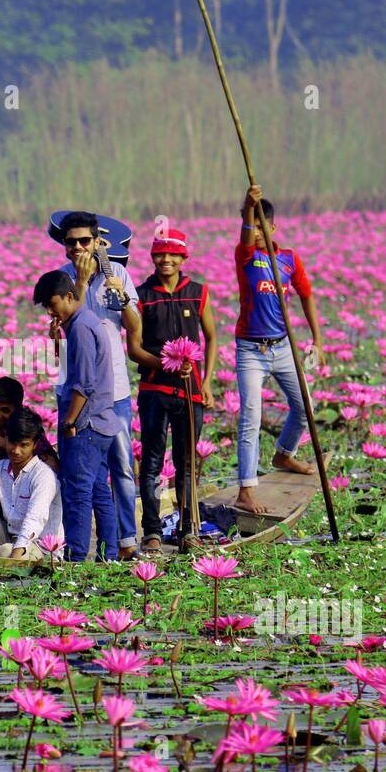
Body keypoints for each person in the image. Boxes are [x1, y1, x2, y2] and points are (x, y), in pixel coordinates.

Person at [233, 185, 325, 515]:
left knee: (305, 409)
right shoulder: (245, 256)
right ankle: (246, 489)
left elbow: (306, 295)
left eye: (261, 225)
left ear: (272, 227)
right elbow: (245, 235)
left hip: (283, 348)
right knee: (251, 418)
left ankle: (284, 453)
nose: (256, 231)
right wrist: (248, 206)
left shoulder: (288, 259)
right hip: (251, 350)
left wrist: (317, 339)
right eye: (250, 224)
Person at [54, 211, 141, 559]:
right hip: (75, 389)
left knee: (120, 466)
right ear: (63, 246)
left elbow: (135, 327)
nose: (78, 247)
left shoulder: (116, 272)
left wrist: (120, 297)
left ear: (97, 241)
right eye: (71, 242)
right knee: (81, 475)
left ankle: (126, 542)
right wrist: (81, 282)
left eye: (84, 241)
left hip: (113, 389)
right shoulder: (60, 281)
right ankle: (82, 548)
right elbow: (67, 326)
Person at [127, 227, 218, 552]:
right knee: (151, 463)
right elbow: (133, 348)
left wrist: (206, 382)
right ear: (152, 257)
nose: (165, 259)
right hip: (154, 390)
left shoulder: (198, 292)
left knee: (187, 463)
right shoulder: (140, 295)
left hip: (191, 393)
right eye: (159, 254)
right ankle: (151, 531)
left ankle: (188, 530)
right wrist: (165, 362)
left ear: (183, 257)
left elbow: (211, 339)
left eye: (172, 254)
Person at [35, 269, 120, 561]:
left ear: (70, 296)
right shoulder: (79, 323)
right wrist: (57, 339)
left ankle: (77, 559)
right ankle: (109, 556)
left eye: (52, 303)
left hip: (86, 424)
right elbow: (74, 367)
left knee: (77, 493)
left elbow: (83, 383)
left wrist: (70, 421)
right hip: (102, 422)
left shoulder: (82, 327)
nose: (49, 310)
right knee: (98, 490)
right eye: (46, 306)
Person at [0, 407, 63, 558]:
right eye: (12, 443)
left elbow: (35, 519)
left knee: (6, 552)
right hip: (9, 539)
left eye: (24, 445)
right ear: (6, 438)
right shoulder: (0, 469)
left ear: (35, 444)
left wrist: (15, 556)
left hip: (39, 548)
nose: (16, 450)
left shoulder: (43, 475)